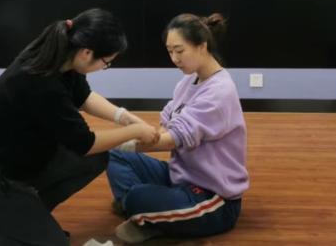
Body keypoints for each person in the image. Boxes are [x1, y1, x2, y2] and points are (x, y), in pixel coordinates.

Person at [0, 8, 160, 246]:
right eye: (106, 63)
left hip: (19, 165)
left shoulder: (61, 57)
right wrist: (135, 131)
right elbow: (85, 143)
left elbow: (84, 97)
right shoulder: (42, 83)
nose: (104, 67)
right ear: (87, 52)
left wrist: (125, 117)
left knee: (98, 158)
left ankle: (27, 220)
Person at [106, 13, 248, 243]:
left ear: (202, 46)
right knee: (116, 156)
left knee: (136, 196)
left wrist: (121, 140)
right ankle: (150, 214)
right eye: (170, 51)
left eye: (179, 51)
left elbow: (172, 139)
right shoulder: (189, 80)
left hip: (213, 198)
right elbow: (166, 125)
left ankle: (144, 212)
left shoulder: (220, 91)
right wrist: (127, 139)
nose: (174, 58)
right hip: (181, 176)